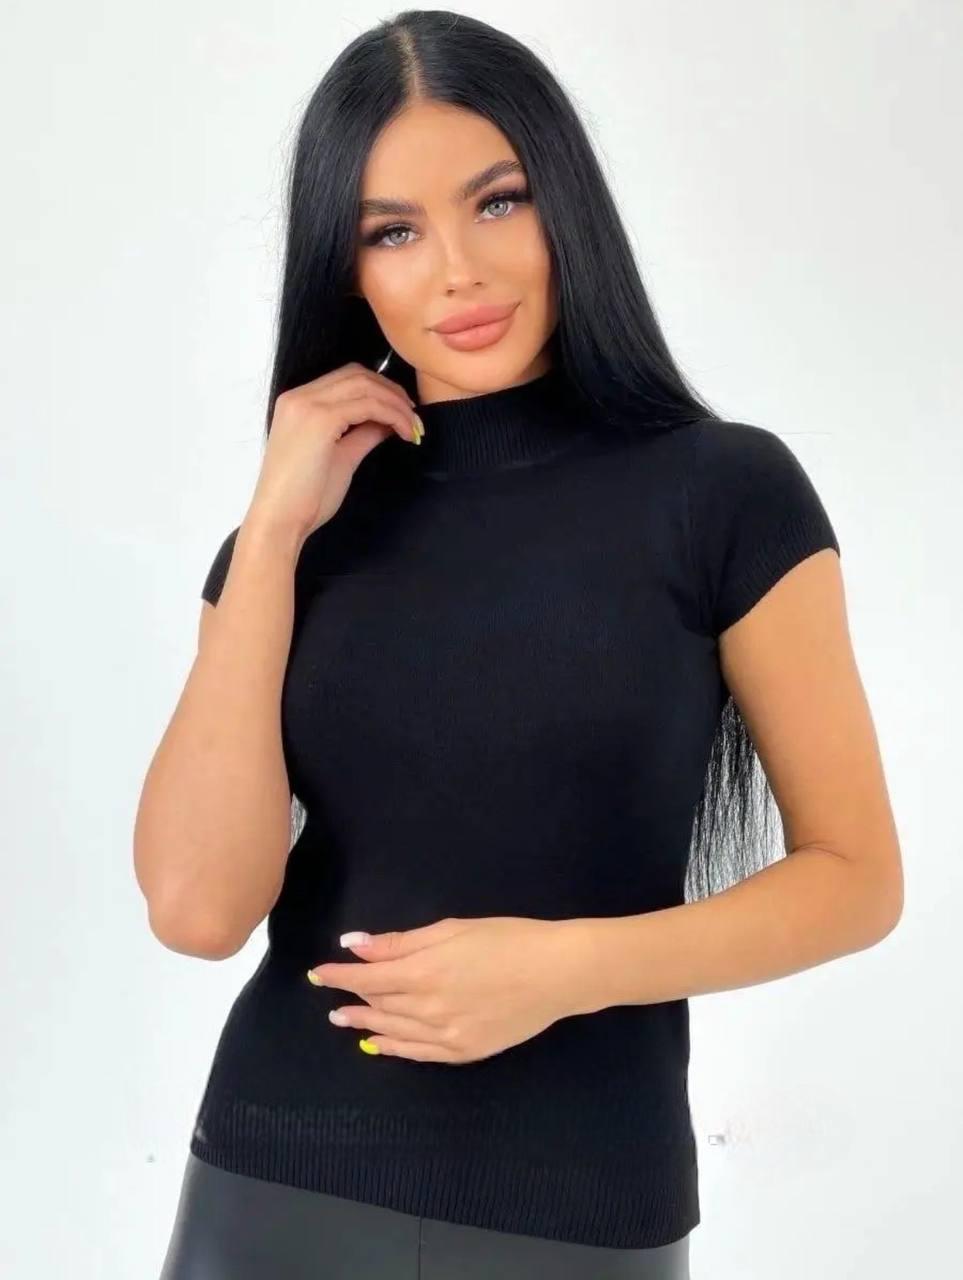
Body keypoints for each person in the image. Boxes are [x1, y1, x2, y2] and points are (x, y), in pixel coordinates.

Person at [137, 10, 903, 1279]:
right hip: (270, 1184)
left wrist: (563, 967)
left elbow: (857, 876)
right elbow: (196, 908)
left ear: (566, 204)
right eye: (393, 231)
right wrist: (269, 534)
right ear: (347, 270)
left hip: (583, 1205)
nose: (458, 271)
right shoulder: (291, 540)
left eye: (498, 202)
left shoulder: (723, 492)